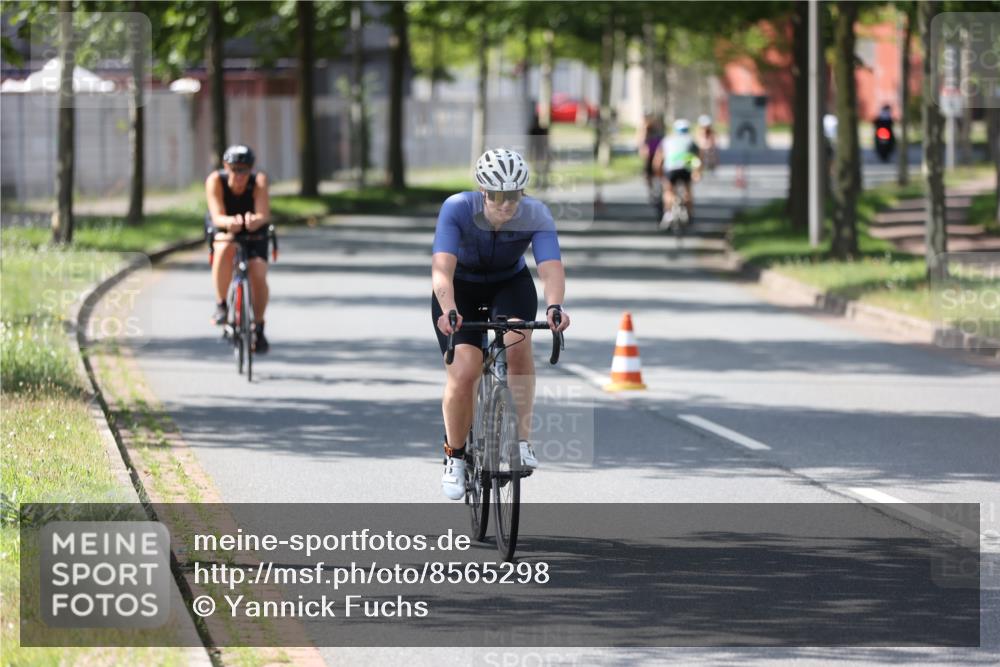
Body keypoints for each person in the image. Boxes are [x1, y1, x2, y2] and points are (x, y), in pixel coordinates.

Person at [431, 148, 570, 500]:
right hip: (460, 286)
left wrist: (555, 305)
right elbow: (442, 270)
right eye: (498, 197)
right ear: (482, 191)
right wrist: (449, 309)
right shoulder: (457, 208)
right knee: (465, 370)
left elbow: (550, 266)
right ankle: (455, 456)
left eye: (513, 196)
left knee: (519, 343)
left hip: (509, 283)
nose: (506, 205)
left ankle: (521, 441)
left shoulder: (536, 213)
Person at [205, 144, 272, 353]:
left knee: (258, 272)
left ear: (251, 169)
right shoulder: (215, 181)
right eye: (234, 169)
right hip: (226, 225)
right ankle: (222, 305)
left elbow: (264, 214)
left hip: (253, 230)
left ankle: (258, 326)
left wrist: (255, 220)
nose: (239, 175)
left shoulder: (259, 181)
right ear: (226, 166)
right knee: (224, 248)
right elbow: (216, 215)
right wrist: (228, 222)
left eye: (244, 169)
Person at [656, 119, 702, 229]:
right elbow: (698, 158)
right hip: (686, 167)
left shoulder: (667, 140)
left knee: (668, 191)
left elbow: (658, 159)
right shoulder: (691, 140)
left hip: (670, 168)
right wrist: (697, 172)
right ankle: (690, 214)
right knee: (687, 190)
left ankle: (668, 213)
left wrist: (659, 173)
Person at [638, 114, 665, 195]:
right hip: (650, 154)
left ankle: (661, 186)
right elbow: (641, 142)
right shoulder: (645, 131)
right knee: (648, 172)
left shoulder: (658, 131)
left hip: (657, 153)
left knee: (659, 170)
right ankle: (652, 189)